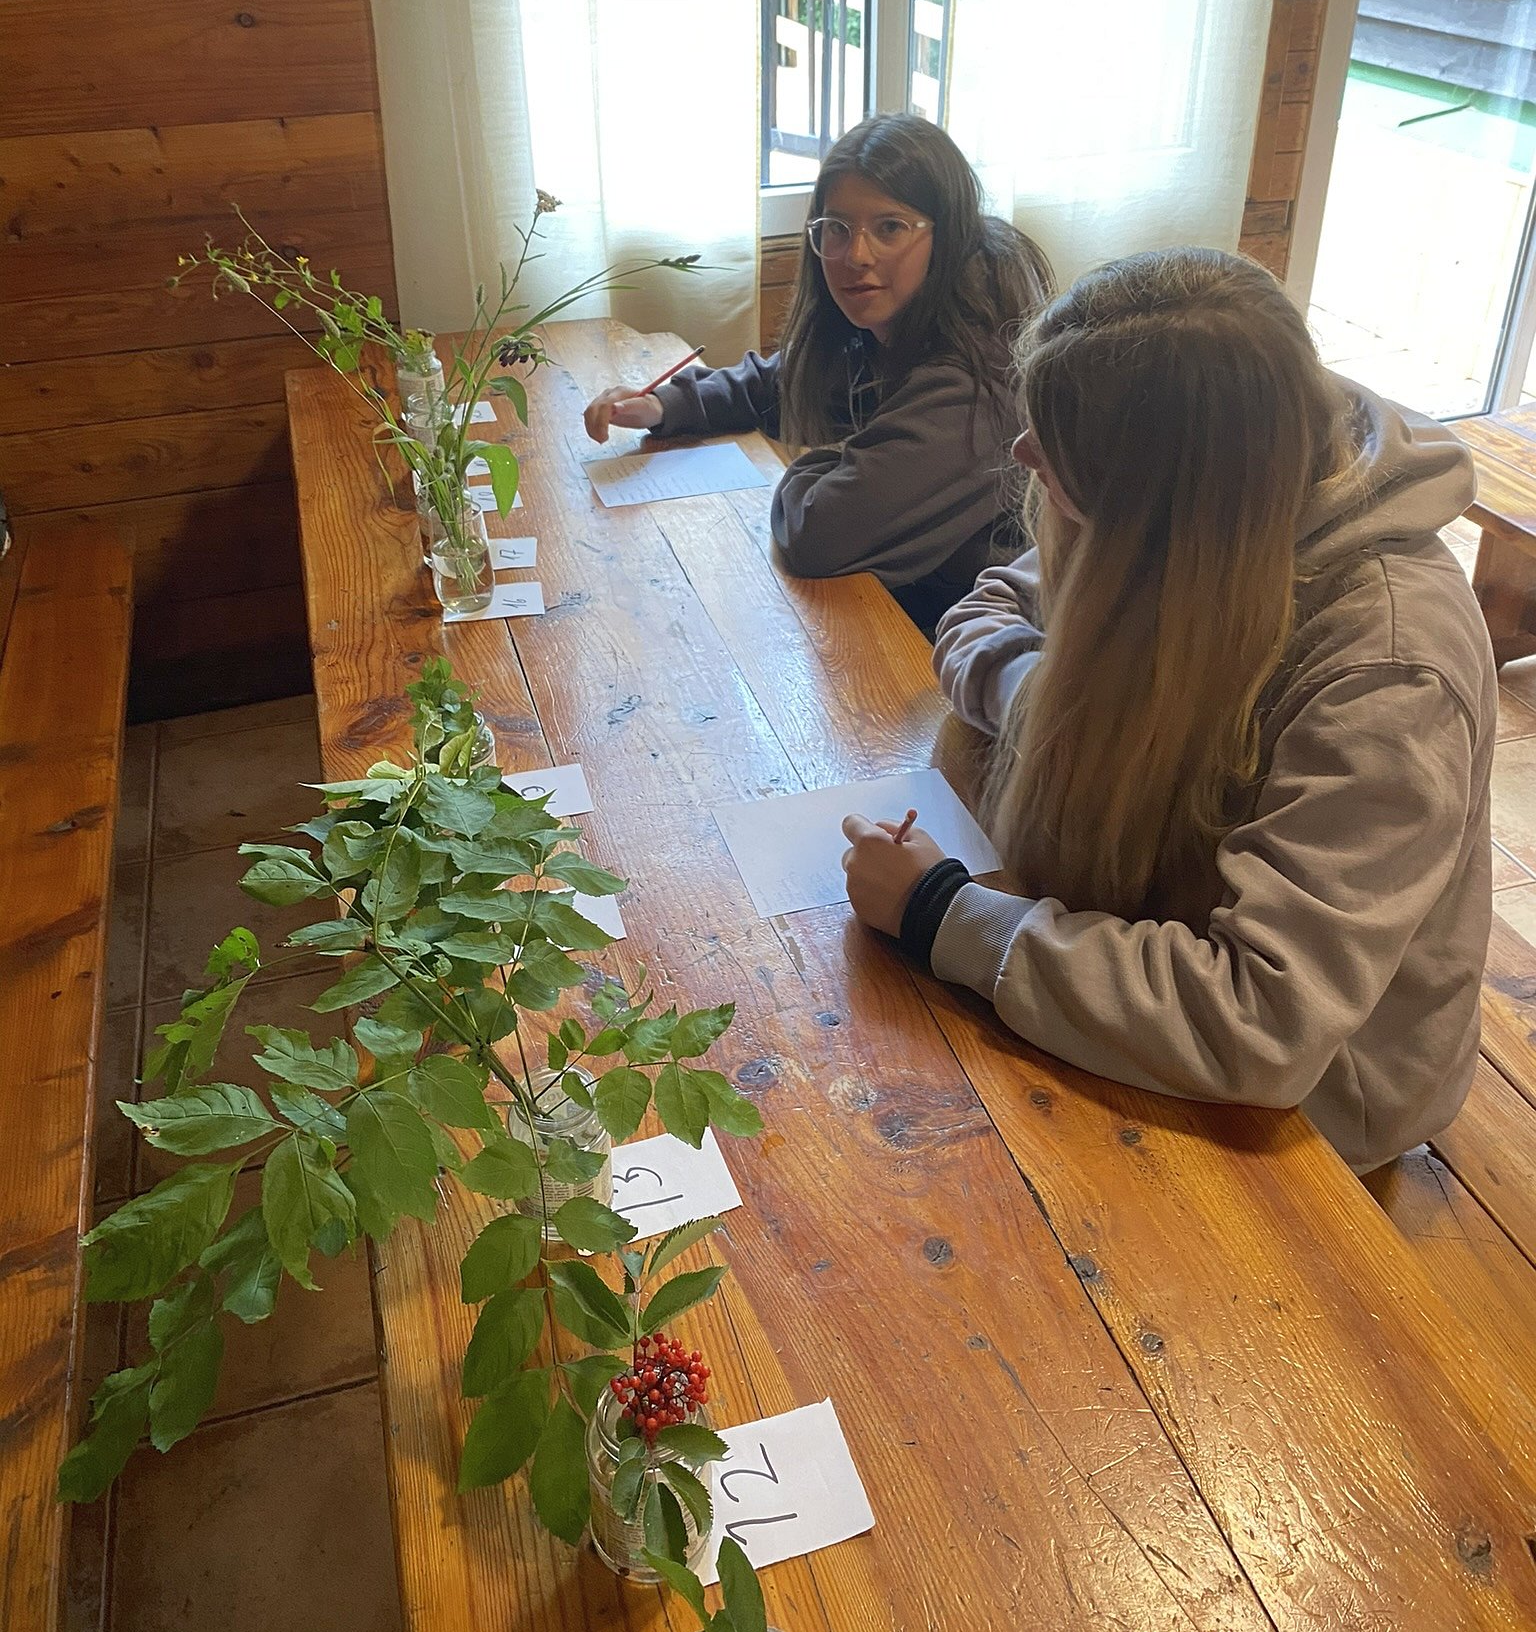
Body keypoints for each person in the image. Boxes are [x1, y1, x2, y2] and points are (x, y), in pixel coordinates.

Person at [840, 247, 1497, 1175]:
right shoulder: (1205, 483)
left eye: (1056, 449)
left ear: (1164, 504)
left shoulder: (1390, 672)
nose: (1022, 454)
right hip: (1128, 956)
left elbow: (1263, 1022)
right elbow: (985, 611)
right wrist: (1043, 705)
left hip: (1307, 1104)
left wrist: (941, 912)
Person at [583, 115, 1053, 636]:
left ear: (946, 234)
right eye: (837, 229)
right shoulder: (904, 320)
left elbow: (818, 534)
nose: (857, 255)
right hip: (905, 611)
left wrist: (828, 462)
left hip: (968, 645)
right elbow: (787, 380)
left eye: (890, 227)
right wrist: (666, 404)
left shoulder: (977, 375)